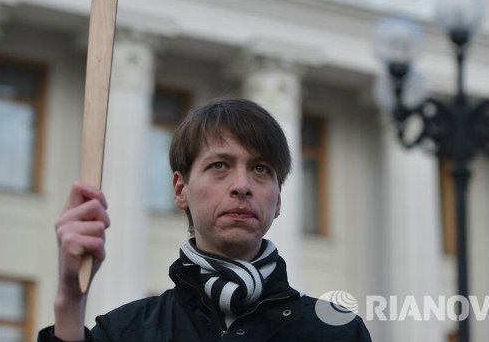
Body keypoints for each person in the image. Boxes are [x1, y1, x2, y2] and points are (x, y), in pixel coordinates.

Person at [38, 98, 371, 341]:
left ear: (279, 198)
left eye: (260, 169)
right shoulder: (127, 332)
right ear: (180, 188)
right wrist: (70, 299)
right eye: (219, 166)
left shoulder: (336, 331)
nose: (242, 186)